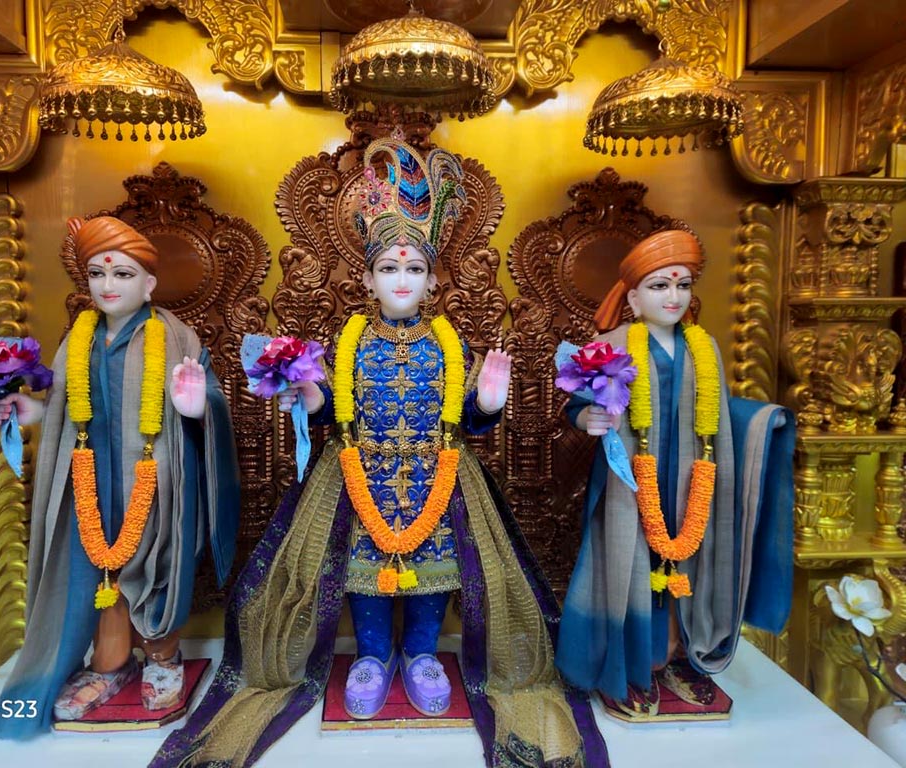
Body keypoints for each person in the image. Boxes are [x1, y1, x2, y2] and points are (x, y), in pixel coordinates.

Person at [151, 133, 607, 768]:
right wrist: (306, 394)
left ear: (430, 279)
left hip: (440, 478)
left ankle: (420, 652)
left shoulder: (452, 345)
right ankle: (371, 654)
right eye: (389, 268)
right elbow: (332, 412)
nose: (401, 279)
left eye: (414, 269)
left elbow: (470, 422)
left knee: (433, 570)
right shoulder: (348, 342)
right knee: (361, 571)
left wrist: (493, 400)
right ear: (366, 276)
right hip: (356, 474)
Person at [0, 216, 240, 738]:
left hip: (158, 477)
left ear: (148, 283)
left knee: (157, 559)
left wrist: (197, 408)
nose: (108, 285)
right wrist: (28, 412)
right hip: (93, 478)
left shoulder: (174, 335)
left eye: (123, 275)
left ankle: (163, 657)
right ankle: (109, 664)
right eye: (98, 274)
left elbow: (213, 404)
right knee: (95, 563)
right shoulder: (77, 340)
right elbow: (65, 409)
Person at [557, 230, 794, 716]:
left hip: (690, 484)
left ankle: (678, 652)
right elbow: (575, 407)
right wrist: (588, 418)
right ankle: (628, 664)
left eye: (682, 285)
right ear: (634, 295)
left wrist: (762, 422)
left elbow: (719, 413)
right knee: (629, 566)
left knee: (686, 566)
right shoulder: (611, 345)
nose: (673, 297)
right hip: (631, 488)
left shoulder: (703, 347)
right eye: (660, 286)